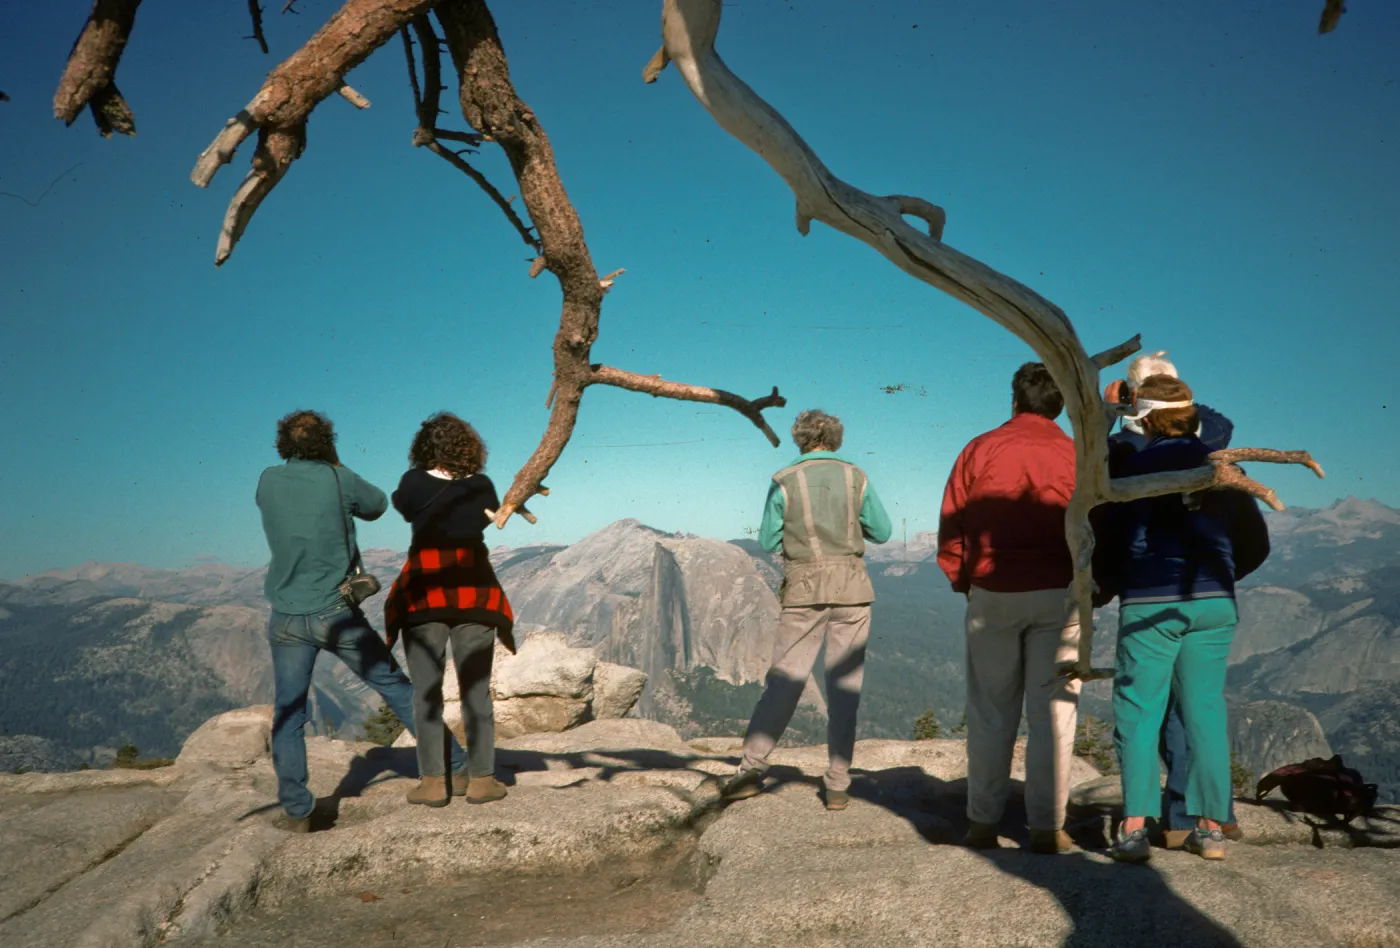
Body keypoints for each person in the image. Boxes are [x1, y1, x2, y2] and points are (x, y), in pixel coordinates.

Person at [256, 409, 467, 832]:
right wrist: (336, 465)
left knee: (289, 712)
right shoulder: (339, 478)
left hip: (286, 619)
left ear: (284, 444)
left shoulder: (267, 479)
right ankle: (456, 767)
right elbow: (376, 505)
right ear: (327, 442)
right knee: (396, 688)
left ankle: (298, 811)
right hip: (336, 614)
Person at [1093, 375, 1269, 863]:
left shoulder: (1133, 469)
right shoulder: (1221, 468)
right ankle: (1210, 829)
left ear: (1144, 419)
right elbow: (1256, 544)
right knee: (1205, 711)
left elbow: (1110, 536)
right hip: (1214, 600)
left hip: (1151, 599)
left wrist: (1109, 586)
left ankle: (1133, 827)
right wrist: (1226, 575)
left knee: (1139, 710)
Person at [937, 362, 1081, 855]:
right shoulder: (1075, 454)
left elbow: (952, 520)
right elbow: (1097, 523)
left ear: (1015, 401)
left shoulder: (979, 449)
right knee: (1055, 714)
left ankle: (982, 823)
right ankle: (1047, 827)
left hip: (992, 594)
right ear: (1059, 406)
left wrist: (964, 579)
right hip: (1060, 594)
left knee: (990, 712)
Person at [721, 409, 892, 811]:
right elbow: (882, 532)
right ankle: (836, 784)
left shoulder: (784, 480)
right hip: (852, 589)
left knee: (785, 681)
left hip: (803, 590)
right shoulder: (857, 477)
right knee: (844, 689)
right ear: (835, 438)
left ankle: (750, 769)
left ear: (799, 439)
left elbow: (766, 540)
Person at [384, 412, 515, 808]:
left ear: (424, 447)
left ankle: (433, 782)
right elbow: (486, 519)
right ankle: (481, 780)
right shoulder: (482, 485)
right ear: (469, 447)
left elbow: (403, 508)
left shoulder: (412, 482)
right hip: (475, 590)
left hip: (425, 591)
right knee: (476, 690)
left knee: (426, 692)